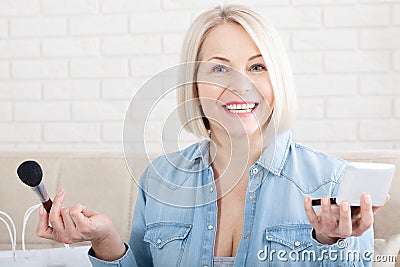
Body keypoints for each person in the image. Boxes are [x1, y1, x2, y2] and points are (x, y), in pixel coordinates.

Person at [36, 5, 386, 266]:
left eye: (257, 66)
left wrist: (329, 242)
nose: (240, 84)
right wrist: (106, 238)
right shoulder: (159, 180)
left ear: (277, 80)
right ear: (193, 84)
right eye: (219, 68)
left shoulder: (334, 182)